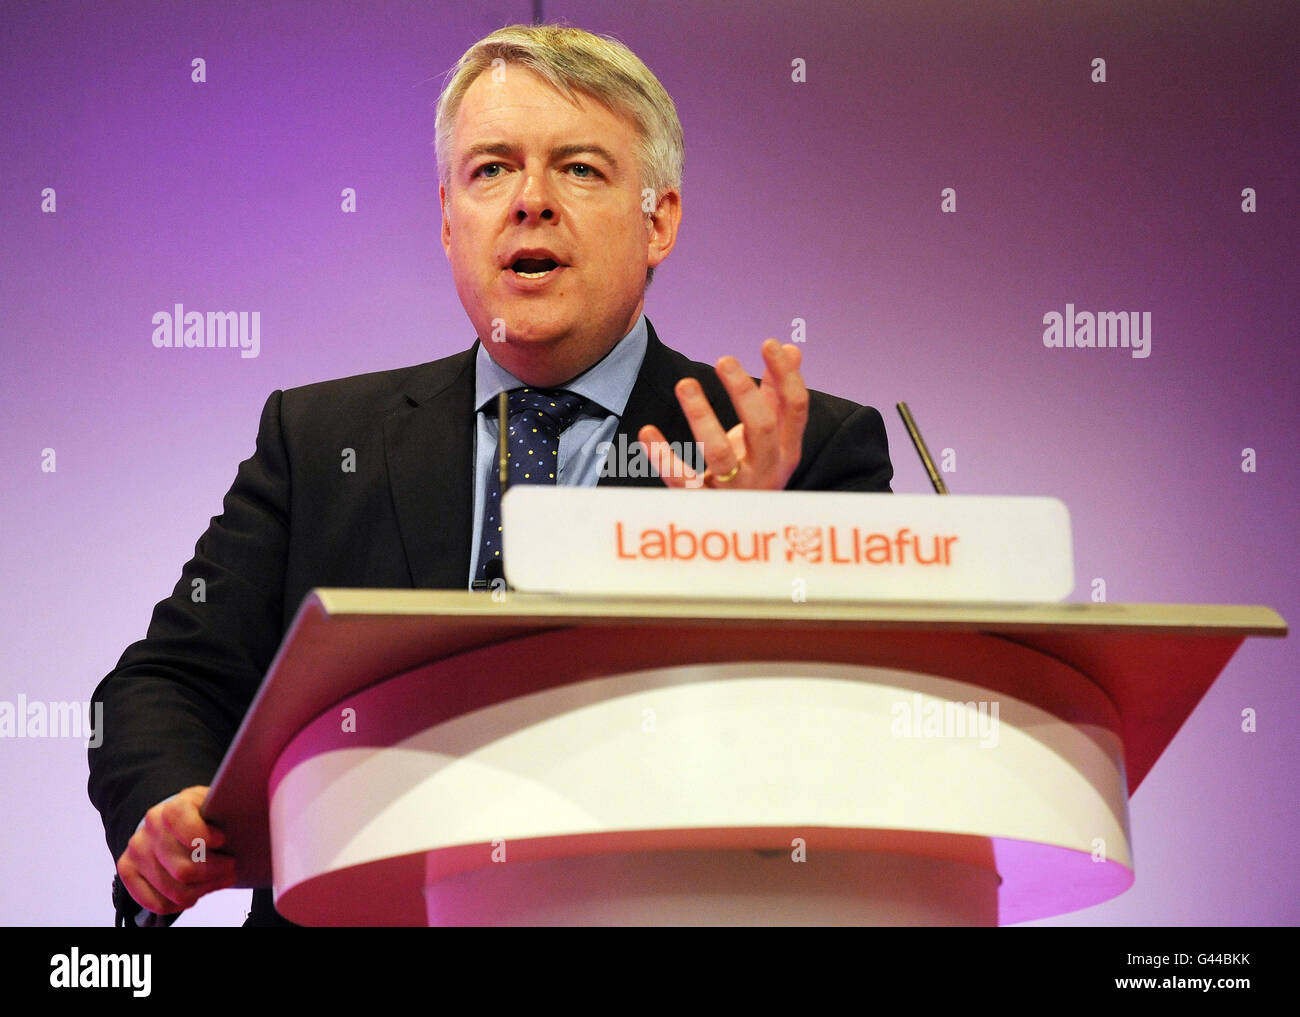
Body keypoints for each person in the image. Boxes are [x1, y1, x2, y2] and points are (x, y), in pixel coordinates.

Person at [88, 23, 893, 927]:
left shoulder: (788, 448)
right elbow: (161, 684)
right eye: (492, 169)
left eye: (581, 168)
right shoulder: (318, 439)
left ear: (658, 218)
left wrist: (743, 560)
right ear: (446, 220)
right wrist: (171, 806)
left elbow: (871, 751)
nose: (531, 201)